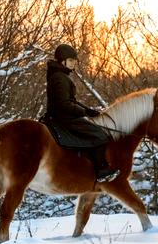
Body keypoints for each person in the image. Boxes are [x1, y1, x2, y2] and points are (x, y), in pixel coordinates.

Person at [42, 43, 120, 183]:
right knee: (100, 135)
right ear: (62, 61)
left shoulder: (60, 75)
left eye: (74, 61)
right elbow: (64, 104)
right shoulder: (60, 77)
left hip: (63, 116)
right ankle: (101, 170)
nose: (73, 64)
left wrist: (88, 110)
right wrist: (84, 112)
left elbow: (72, 101)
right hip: (64, 119)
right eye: (71, 61)